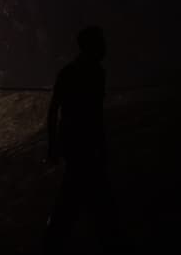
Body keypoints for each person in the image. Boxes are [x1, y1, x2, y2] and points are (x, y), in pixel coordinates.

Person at [43, 26, 121, 253]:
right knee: (82, 193)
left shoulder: (93, 72)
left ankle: (57, 238)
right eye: (100, 44)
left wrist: (54, 144)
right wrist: (53, 144)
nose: (104, 48)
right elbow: (55, 109)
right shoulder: (77, 73)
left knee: (79, 192)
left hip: (81, 141)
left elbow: (92, 113)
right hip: (78, 141)